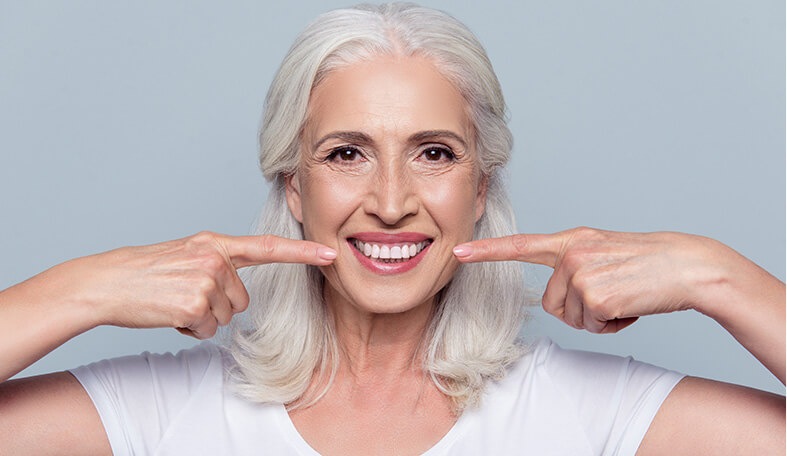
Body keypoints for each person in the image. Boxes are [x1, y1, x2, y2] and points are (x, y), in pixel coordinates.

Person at [0, 3, 783, 455]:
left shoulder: (586, 410)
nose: (390, 200)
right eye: (346, 154)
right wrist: (83, 289)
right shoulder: (160, 410)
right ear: (292, 186)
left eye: (433, 154)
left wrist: (716, 276)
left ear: (480, 187)